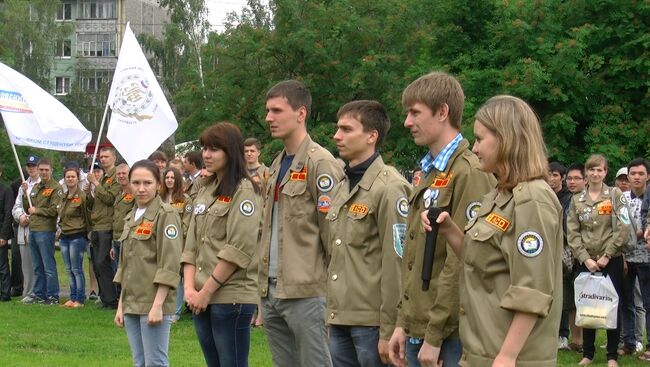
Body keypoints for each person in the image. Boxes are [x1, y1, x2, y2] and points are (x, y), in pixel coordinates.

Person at [422, 95, 563, 366]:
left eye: (479, 139)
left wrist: (507, 355)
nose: (474, 148)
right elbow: (483, 261)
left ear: (506, 139)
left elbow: (532, 290)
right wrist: (449, 229)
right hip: (481, 351)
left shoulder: (532, 199)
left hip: (510, 357)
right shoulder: (499, 195)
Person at [387, 71, 496, 367]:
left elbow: (461, 260)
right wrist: (402, 323)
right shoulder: (433, 173)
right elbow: (414, 257)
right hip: (418, 327)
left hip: (446, 336)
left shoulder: (469, 172)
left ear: (442, 112)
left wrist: (434, 336)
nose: (407, 122)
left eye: (415, 112)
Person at [259, 80, 344, 367]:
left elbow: (334, 235)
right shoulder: (276, 163)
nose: (269, 117)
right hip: (272, 290)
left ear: (301, 113)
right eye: (268, 111)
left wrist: (334, 294)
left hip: (307, 292)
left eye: (276, 110)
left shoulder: (320, 163)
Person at [325, 100, 411, 367]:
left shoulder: (390, 187)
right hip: (340, 318)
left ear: (371, 136)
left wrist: (390, 328)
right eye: (338, 129)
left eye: (347, 129)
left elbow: (397, 262)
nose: (337, 136)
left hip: (372, 324)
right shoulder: (343, 185)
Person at [182, 122, 261, 366]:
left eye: (214, 149)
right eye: (205, 148)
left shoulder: (245, 191)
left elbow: (238, 249)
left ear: (231, 151)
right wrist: (189, 290)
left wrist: (205, 292)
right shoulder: (206, 189)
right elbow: (191, 244)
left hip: (230, 296)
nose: (206, 154)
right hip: (199, 297)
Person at [113, 160, 182, 367]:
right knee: (139, 362)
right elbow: (126, 265)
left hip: (153, 301)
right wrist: (120, 305)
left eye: (147, 183)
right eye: (136, 183)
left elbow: (169, 265)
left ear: (158, 185)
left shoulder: (166, 214)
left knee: (156, 362)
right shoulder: (131, 216)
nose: (141, 189)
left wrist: (158, 305)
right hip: (131, 302)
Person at [568, 154, 632, 367]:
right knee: (588, 306)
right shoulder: (577, 200)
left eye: (600, 170)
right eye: (592, 169)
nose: (595, 173)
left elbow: (623, 227)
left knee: (611, 307)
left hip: (610, 261)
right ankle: (588, 353)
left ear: (606, 172)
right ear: (587, 172)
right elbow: (573, 233)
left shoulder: (615, 195)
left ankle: (612, 355)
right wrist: (585, 259)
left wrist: (607, 255)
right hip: (585, 262)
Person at [619, 158, 650, 359]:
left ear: (648, 176)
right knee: (626, 302)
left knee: (648, 303)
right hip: (626, 257)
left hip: (647, 257)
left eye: (640, 173)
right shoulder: (622, 199)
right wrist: (620, 255)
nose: (636, 177)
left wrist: (639, 233)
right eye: (633, 174)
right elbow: (619, 227)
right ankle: (628, 342)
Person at [23, 158, 62, 304]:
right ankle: (39, 293)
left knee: (48, 265)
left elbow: (54, 211)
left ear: (51, 170)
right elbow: (28, 205)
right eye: (41, 170)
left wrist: (37, 210)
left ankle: (53, 295)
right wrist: (24, 192)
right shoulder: (36, 187)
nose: (44, 172)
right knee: (37, 265)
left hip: (45, 231)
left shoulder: (56, 187)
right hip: (33, 230)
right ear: (38, 170)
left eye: (46, 170)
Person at [87, 147, 121, 309]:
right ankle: (106, 298)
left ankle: (112, 299)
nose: (103, 159)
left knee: (103, 262)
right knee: (97, 263)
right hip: (97, 224)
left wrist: (95, 183)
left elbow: (110, 198)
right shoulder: (103, 178)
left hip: (107, 225)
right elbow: (92, 204)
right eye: (101, 157)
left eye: (106, 156)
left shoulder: (116, 176)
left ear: (114, 158)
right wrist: (89, 191)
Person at [58, 167, 91, 308]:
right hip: (64, 236)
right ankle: (72, 298)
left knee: (77, 269)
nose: (70, 179)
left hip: (77, 236)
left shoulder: (82, 196)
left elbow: (87, 216)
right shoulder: (63, 196)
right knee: (68, 269)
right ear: (64, 179)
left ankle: (80, 299)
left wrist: (88, 234)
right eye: (67, 177)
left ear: (78, 178)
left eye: (73, 176)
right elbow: (61, 215)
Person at [160, 166, 190, 322]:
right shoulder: (158, 199)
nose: (169, 180)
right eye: (167, 178)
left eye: (172, 178)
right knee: (162, 275)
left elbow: (187, 224)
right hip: (160, 244)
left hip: (179, 244)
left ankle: (176, 311)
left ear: (177, 180)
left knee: (177, 278)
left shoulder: (185, 199)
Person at [563, 164, 587, 352]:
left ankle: (588, 340)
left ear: (585, 180)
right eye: (569, 178)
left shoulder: (591, 200)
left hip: (587, 256)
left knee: (586, 299)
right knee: (570, 300)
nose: (572, 182)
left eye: (576, 178)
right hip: (566, 256)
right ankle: (576, 340)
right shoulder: (564, 200)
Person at [12, 154, 40, 301]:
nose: (31, 169)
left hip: (39, 229)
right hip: (24, 231)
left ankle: (40, 291)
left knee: (40, 263)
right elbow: (16, 206)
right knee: (27, 264)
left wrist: (29, 217)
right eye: (29, 166)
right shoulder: (23, 185)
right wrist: (20, 216)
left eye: (34, 166)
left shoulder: (43, 184)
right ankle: (28, 292)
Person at [110, 162, 133, 272]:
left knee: (127, 273)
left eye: (124, 173)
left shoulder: (135, 192)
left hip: (127, 239)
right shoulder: (118, 193)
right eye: (118, 174)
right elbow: (116, 218)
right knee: (118, 274)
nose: (121, 176)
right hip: (116, 239)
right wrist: (112, 244)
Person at [0, 164, 14, 301]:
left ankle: (5, 293)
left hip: (0, 233)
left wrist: (3, 236)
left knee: (2, 265)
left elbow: (8, 214)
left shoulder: (6, 190)